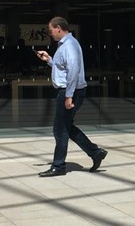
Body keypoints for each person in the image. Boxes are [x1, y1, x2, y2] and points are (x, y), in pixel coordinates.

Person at [35, 17, 108, 177]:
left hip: (70, 91)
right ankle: (95, 153)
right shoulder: (65, 45)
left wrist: (69, 96)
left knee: (60, 129)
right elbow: (63, 68)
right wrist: (49, 60)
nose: (50, 33)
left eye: (51, 30)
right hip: (70, 90)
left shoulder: (69, 45)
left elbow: (73, 70)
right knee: (66, 127)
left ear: (59, 28)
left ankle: (59, 166)